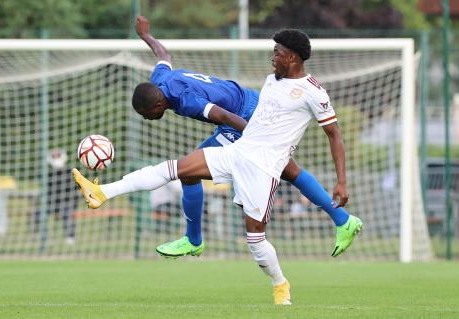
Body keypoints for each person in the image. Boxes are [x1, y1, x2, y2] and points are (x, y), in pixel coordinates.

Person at [73, 28, 363, 305]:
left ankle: (280, 283)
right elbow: (163, 54)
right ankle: (102, 193)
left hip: (260, 164)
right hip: (239, 150)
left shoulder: (313, 92)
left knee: (255, 238)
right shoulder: (272, 79)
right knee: (176, 169)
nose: (272, 57)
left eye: (277, 52)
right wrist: (146, 35)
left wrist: (342, 181)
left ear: (292, 57)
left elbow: (334, 134)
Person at [129, 16, 360, 259]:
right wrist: (146, 36)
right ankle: (343, 220)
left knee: (188, 170)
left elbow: (225, 116)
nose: (146, 119)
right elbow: (163, 54)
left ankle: (193, 239)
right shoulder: (160, 79)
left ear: (156, 105)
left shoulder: (186, 100)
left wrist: (256, 137)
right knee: (288, 171)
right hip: (246, 102)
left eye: (145, 114)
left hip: (240, 116)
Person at [32, 149, 77, 245]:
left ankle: (70, 237)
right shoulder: (48, 174)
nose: (56, 158)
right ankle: (38, 236)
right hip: (52, 204)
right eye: (54, 156)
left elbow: (74, 191)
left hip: (66, 204)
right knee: (37, 212)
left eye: (58, 156)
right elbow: (46, 192)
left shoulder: (70, 172)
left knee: (67, 214)